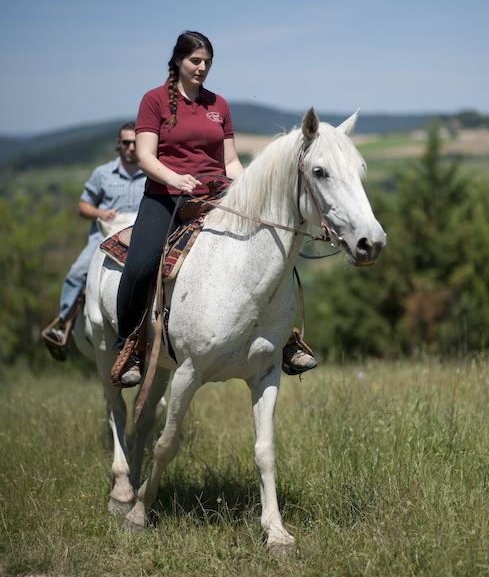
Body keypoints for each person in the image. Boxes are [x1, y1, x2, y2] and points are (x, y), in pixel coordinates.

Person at [113, 30, 317, 387]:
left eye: (208, 61)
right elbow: (145, 156)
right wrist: (175, 179)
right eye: (195, 60)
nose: (202, 67)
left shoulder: (218, 105)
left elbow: (231, 160)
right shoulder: (154, 100)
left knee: (271, 251)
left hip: (218, 195)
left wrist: (247, 188)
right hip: (165, 196)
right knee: (141, 264)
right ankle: (129, 346)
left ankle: (283, 338)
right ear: (178, 60)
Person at [42, 122, 146, 360]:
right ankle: (62, 323)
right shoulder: (103, 174)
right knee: (77, 271)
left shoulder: (149, 173)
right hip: (103, 236)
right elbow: (82, 206)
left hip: (137, 235)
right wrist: (100, 214)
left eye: (135, 143)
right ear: (118, 145)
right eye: (126, 143)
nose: (131, 148)